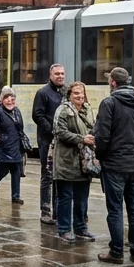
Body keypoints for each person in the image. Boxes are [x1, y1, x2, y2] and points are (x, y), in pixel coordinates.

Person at [93, 67, 134, 265]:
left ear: (113, 83)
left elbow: (102, 136)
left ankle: (116, 252)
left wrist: (100, 156)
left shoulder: (109, 103)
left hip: (115, 165)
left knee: (115, 209)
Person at [51, 82, 96, 243]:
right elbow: (58, 131)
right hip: (66, 161)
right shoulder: (63, 110)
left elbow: (93, 128)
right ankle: (64, 229)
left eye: (82, 93)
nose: (80, 96)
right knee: (65, 197)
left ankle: (81, 228)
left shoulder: (88, 109)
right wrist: (81, 139)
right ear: (69, 95)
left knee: (82, 198)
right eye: (76, 93)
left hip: (84, 162)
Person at [31, 64, 65, 224]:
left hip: (62, 141)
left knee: (60, 176)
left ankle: (58, 211)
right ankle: (45, 211)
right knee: (47, 175)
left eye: (62, 74)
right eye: (57, 73)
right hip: (47, 141)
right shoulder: (43, 93)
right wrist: (52, 130)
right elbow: (37, 115)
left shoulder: (65, 92)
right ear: (50, 75)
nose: (60, 76)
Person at [0, 87, 27, 205]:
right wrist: (1, 138)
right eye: (7, 97)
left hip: (16, 145)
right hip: (4, 146)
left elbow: (20, 128)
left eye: (12, 97)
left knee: (16, 170)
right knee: (3, 170)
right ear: (2, 99)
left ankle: (15, 196)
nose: (10, 100)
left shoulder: (16, 111)